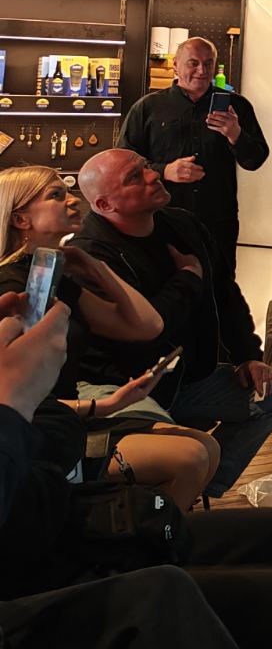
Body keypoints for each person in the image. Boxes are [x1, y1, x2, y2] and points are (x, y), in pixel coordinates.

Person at [0, 289, 272, 649]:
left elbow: (163, 319)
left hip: (75, 513)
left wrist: (105, 406)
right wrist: (15, 407)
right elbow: (145, 328)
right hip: (37, 567)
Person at [71, 150, 272, 499]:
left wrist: (248, 356)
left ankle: (200, 487)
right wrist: (188, 276)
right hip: (121, 386)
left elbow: (224, 293)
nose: (153, 176)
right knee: (180, 449)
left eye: (147, 167)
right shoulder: (90, 256)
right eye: (135, 177)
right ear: (105, 204)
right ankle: (176, 493)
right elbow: (147, 330)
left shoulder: (183, 224)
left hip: (186, 378)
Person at [0, 165, 218, 508]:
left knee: (207, 447)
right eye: (56, 195)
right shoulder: (11, 288)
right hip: (41, 433)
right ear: (20, 219)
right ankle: (148, 535)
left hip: (65, 418)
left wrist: (96, 268)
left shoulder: (54, 276)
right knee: (189, 457)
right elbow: (18, 398)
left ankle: (156, 531)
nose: (73, 201)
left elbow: (147, 325)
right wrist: (103, 406)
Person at [118, 36, 269, 295]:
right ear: (176, 65)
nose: (201, 70)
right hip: (161, 218)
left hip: (217, 220)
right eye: (193, 63)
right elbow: (123, 161)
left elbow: (255, 159)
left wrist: (235, 134)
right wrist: (164, 170)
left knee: (219, 290)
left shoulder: (236, 106)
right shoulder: (148, 107)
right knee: (163, 289)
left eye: (208, 63)